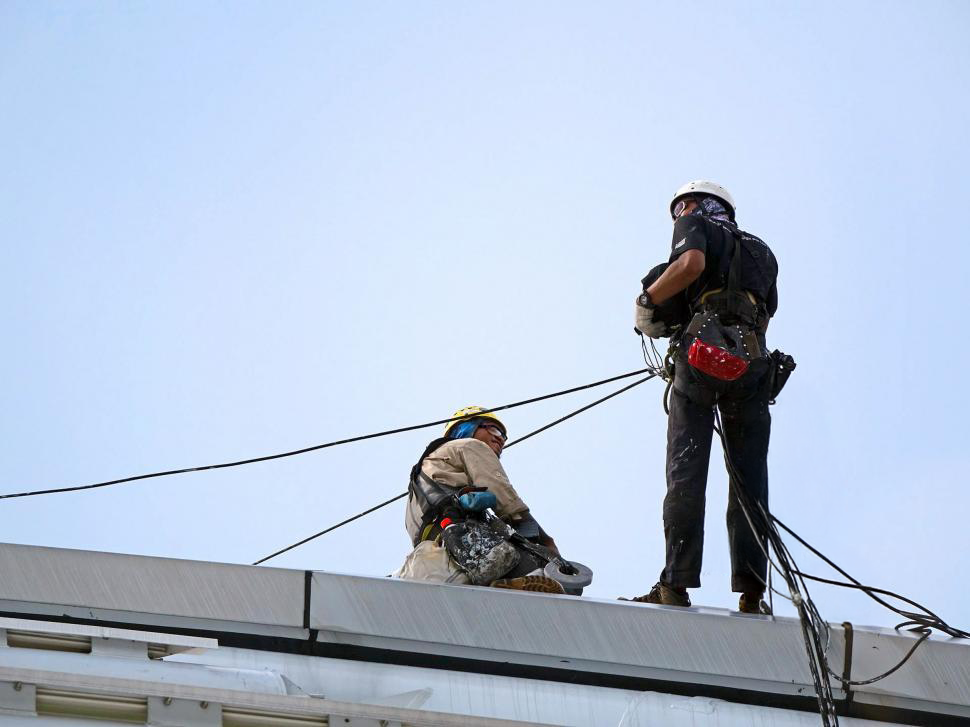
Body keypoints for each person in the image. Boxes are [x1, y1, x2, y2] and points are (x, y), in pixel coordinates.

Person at [630, 180, 779, 614]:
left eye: (681, 207)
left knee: (686, 472)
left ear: (697, 205)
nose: (679, 215)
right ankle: (753, 592)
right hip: (752, 364)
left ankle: (675, 584)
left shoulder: (694, 224)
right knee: (750, 482)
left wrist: (648, 297)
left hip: (700, 360)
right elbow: (763, 311)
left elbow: (691, 265)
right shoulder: (762, 251)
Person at [399, 406, 566, 593]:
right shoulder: (470, 445)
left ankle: (502, 585)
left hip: (442, 553)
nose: (500, 438)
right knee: (551, 573)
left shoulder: (418, 482)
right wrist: (544, 540)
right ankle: (517, 583)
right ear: (467, 428)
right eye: (493, 429)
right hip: (468, 539)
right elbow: (504, 497)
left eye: (503, 435)